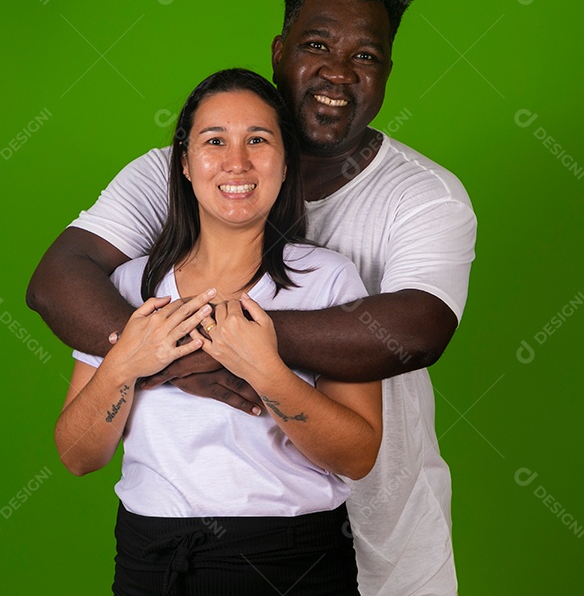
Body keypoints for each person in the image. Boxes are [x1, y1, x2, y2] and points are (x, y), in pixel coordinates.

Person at [29, 0, 477, 595]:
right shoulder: (170, 181)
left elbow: (417, 330)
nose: (337, 73)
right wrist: (163, 354)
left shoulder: (419, 200)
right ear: (279, 50)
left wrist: (243, 346)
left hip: (377, 530)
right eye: (316, 44)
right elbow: (58, 282)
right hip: (165, 552)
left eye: (366, 56)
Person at [55, 68, 381, 595]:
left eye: (258, 140)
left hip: (291, 563)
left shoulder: (330, 280)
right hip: (151, 561)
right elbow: (77, 457)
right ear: (184, 163)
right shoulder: (126, 285)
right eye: (214, 141)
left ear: (284, 162)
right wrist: (126, 363)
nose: (237, 162)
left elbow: (358, 455)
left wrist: (267, 371)